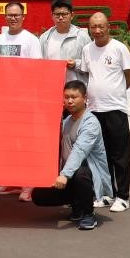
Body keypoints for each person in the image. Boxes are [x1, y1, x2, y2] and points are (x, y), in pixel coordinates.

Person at [30, 80, 109, 230]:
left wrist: (65, 175)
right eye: (66, 97)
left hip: (88, 176)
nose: (70, 101)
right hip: (69, 175)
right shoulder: (66, 121)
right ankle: (77, 204)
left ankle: (88, 214)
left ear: (85, 98)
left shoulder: (90, 123)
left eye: (74, 97)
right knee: (38, 195)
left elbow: (79, 151)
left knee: (80, 173)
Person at [77, 11, 130, 213]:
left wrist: (116, 92)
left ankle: (123, 196)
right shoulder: (86, 49)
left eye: (101, 26)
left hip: (115, 110)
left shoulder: (119, 48)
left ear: (108, 27)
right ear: (89, 29)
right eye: (93, 27)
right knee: (100, 155)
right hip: (94, 110)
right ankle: (106, 194)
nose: (97, 30)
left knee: (120, 155)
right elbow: (86, 75)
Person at [0, 1, 42, 200]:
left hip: (25, 99)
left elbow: (38, 70)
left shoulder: (31, 40)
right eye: (9, 15)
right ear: (5, 17)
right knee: (7, 141)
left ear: (23, 16)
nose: (13, 18)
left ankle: (27, 185)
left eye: (17, 15)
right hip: (4, 100)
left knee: (25, 141)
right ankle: (10, 180)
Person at [38, 0, 85, 84]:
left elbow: (90, 63)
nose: (60, 17)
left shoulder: (81, 36)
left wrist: (76, 64)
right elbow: (39, 64)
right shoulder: (44, 38)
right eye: (57, 14)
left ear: (72, 15)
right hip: (51, 85)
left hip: (74, 89)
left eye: (64, 14)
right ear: (52, 15)